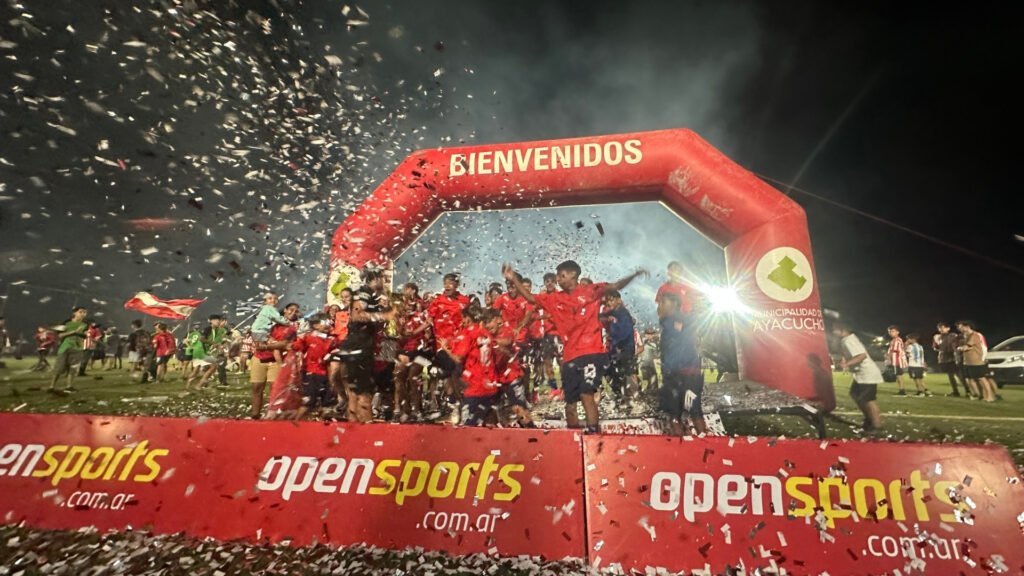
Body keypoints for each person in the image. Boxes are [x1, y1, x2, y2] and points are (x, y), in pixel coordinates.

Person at [504, 260, 648, 432]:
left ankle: (593, 435)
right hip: (570, 357)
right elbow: (529, 297)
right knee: (570, 402)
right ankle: (573, 437)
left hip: (592, 354)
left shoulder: (592, 291)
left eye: (561, 275)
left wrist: (634, 274)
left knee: (587, 393)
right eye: (557, 276)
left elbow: (616, 285)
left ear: (573, 274)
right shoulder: (554, 298)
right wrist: (513, 278)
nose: (558, 279)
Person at [336, 267, 395, 423]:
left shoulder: (373, 296)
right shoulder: (365, 292)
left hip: (361, 345)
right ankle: (367, 433)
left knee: (356, 391)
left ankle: (352, 431)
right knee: (364, 392)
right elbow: (357, 315)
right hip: (358, 345)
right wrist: (383, 315)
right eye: (382, 278)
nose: (384, 282)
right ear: (373, 280)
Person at [657, 292, 706, 435]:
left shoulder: (677, 320)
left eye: (662, 303)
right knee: (678, 413)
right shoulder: (667, 322)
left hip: (688, 373)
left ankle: (702, 445)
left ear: (674, 304)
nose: (659, 306)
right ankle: (688, 447)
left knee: (692, 412)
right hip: (673, 374)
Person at [448, 307, 503, 426]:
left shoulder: (469, 334)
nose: (462, 321)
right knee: (489, 423)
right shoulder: (486, 333)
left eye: (463, 318)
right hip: (491, 383)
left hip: (475, 385)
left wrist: (445, 348)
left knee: (468, 427)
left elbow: (458, 358)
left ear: (468, 318)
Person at [426, 272, 471, 415]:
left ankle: (456, 403)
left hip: (459, 345)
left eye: (450, 282)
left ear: (457, 285)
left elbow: (469, 319)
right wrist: (415, 332)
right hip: (442, 345)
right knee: (444, 373)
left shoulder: (464, 301)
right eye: (445, 282)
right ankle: (446, 403)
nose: (447, 285)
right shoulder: (437, 301)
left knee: (457, 375)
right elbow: (429, 321)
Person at [248, 303, 300, 418]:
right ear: (285, 310)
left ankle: (272, 415)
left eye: (296, 311)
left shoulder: (291, 329)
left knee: (274, 389)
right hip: (259, 358)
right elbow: (258, 339)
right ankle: (255, 415)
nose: (293, 312)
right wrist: (273, 344)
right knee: (256, 387)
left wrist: (266, 346)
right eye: (291, 309)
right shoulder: (269, 323)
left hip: (276, 360)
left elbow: (285, 344)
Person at [833, 322, 883, 434]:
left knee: (868, 400)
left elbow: (862, 355)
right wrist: (844, 360)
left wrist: (847, 364)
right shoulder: (846, 340)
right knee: (855, 394)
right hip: (861, 374)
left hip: (867, 374)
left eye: (835, 329)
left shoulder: (849, 340)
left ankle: (876, 426)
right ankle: (869, 419)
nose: (833, 332)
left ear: (842, 329)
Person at [292, 313, 339, 420]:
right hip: (311, 373)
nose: (328, 324)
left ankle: (321, 429)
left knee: (327, 404)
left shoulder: (332, 339)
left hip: (327, 374)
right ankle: (295, 425)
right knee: (309, 402)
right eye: (325, 322)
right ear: (316, 325)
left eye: (329, 322)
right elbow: (296, 347)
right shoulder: (308, 337)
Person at [394, 292, 430, 422]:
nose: (408, 306)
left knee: (412, 378)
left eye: (411, 303)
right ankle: (405, 409)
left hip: (422, 354)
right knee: (399, 377)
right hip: (404, 353)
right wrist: (401, 330)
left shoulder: (421, 316)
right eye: (406, 303)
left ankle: (417, 410)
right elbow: (398, 339)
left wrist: (416, 332)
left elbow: (428, 331)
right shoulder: (399, 319)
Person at [600, 289, 640, 403]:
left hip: (624, 349)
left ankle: (633, 400)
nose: (609, 303)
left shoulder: (623, 313)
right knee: (613, 373)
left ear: (618, 300)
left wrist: (616, 342)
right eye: (607, 301)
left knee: (627, 373)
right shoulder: (614, 314)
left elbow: (625, 333)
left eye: (611, 300)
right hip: (617, 349)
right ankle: (622, 397)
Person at [49, 307, 88, 394]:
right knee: (59, 367)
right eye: (81, 312)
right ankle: (51, 386)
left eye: (85, 312)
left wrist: (83, 334)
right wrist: (74, 332)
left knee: (73, 368)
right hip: (65, 347)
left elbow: (84, 336)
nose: (83, 314)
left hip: (77, 348)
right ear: (74, 313)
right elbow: (60, 335)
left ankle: (69, 386)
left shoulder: (85, 324)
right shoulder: (66, 322)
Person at [956, 320, 997, 402]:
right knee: (970, 379)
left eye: (960, 327)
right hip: (967, 361)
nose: (959, 329)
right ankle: (979, 395)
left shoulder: (974, 335)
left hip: (976, 361)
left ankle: (990, 396)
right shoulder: (965, 336)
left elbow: (966, 347)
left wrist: (961, 348)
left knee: (982, 378)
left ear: (967, 326)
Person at [536, 272, 563, 397]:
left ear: (556, 282)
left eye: (552, 280)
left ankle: (565, 388)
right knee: (547, 361)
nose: (549, 283)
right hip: (547, 334)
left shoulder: (560, 295)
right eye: (547, 281)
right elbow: (533, 306)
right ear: (544, 283)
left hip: (559, 333)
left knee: (561, 361)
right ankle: (553, 388)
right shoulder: (543, 296)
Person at [251, 293, 292, 364]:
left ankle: (271, 363)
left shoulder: (264, 308)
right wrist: (288, 323)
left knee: (267, 347)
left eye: (275, 298)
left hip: (257, 331)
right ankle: (281, 365)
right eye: (270, 298)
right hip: (261, 331)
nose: (273, 300)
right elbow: (278, 318)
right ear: (265, 301)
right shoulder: (270, 308)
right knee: (276, 348)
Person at [932, 322, 962, 397]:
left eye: (943, 327)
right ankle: (955, 392)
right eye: (939, 328)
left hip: (953, 358)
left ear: (948, 328)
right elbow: (935, 347)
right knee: (950, 375)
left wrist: (954, 353)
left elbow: (957, 346)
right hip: (944, 358)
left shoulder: (953, 335)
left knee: (960, 375)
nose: (941, 329)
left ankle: (969, 391)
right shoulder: (937, 337)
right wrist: (937, 348)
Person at [886, 325, 908, 395]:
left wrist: (889, 359)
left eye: (892, 331)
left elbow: (893, 351)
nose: (891, 333)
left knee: (899, 375)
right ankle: (901, 390)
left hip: (897, 360)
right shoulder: (895, 340)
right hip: (897, 360)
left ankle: (902, 391)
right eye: (889, 332)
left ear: (897, 332)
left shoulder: (896, 340)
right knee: (898, 375)